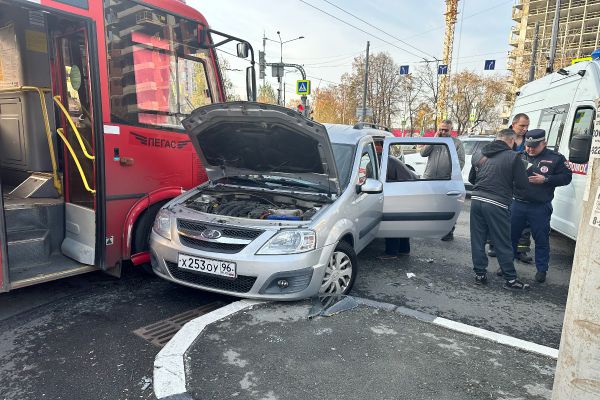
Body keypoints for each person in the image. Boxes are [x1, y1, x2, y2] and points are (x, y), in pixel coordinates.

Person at [468, 129, 530, 290]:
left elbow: (471, 179)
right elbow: (522, 186)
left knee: (478, 239)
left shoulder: (479, 153)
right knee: (502, 241)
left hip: (476, 200)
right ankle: (510, 279)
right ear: (511, 141)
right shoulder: (513, 157)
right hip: (498, 203)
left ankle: (479, 275)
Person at [511, 129, 572, 283]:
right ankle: (506, 266)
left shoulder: (555, 158)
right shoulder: (519, 156)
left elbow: (566, 177)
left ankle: (541, 270)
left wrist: (545, 179)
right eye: (528, 145)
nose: (530, 149)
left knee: (541, 240)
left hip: (539, 207)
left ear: (544, 143)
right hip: (517, 203)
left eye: (534, 146)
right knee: (510, 237)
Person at [488, 113, 533, 263]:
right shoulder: (503, 137)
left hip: (520, 183)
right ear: (513, 124)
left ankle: (521, 250)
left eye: (527, 126)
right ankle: (494, 245)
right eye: (522, 126)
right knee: (500, 217)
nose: (525, 129)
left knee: (523, 221)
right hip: (503, 183)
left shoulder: (530, 140)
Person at [420, 119, 465, 241]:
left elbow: (461, 161)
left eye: (446, 130)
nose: (443, 132)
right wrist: (433, 140)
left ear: (451, 130)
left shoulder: (456, 143)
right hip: (430, 178)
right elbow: (423, 153)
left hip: (446, 179)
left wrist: (453, 175)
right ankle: (430, 229)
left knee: (447, 205)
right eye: (441, 129)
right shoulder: (434, 140)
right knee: (429, 204)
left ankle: (448, 231)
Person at [375, 144, 418, 259]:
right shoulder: (389, 158)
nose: (374, 147)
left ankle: (391, 252)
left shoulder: (380, 161)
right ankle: (404, 249)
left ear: (381, 147)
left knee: (391, 222)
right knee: (401, 222)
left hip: (401, 192)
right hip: (408, 190)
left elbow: (375, 181)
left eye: (376, 145)